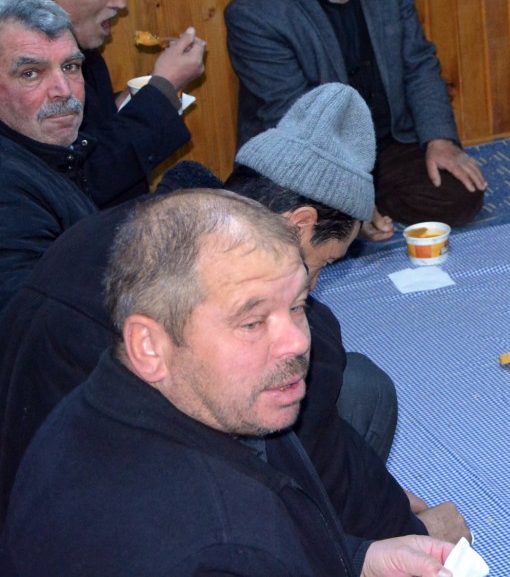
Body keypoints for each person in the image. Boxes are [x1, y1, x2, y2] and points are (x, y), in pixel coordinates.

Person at [0, 85, 468, 542]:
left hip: (30, 490)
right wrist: (409, 534)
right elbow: (313, 456)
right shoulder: (265, 319)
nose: (316, 287)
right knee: (347, 388)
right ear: (299, 224)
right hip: (117, 528)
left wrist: (386, 498)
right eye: (324, 263)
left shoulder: (133, 225)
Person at [3, 191, 455, 574]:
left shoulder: (129, 400)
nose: (297, 343)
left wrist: (358, 559)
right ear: (149, 345)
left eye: (297, 306)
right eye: (252, 322)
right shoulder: (221, 545)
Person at [225, 0, 486, 235]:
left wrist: (439, 140)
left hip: (385, 143)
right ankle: (355, 212)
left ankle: (365, 209)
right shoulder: (257, 12)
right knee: (300, 222)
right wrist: (348, 196)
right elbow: (291, 120)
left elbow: (418, 61)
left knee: (460, 195)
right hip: (307, 155)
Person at [0, 0, 206, 207]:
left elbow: (91, 137)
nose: (120, 1)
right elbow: (82, 179)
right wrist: (163, 89)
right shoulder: (9, 68)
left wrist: (128, 100)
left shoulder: (85, 49)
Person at [0, 0, 98, 303]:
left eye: (70, 67)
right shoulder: (7, 187)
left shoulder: (49, 156)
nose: (63, 91)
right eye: (31, 73)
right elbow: (26, 325)